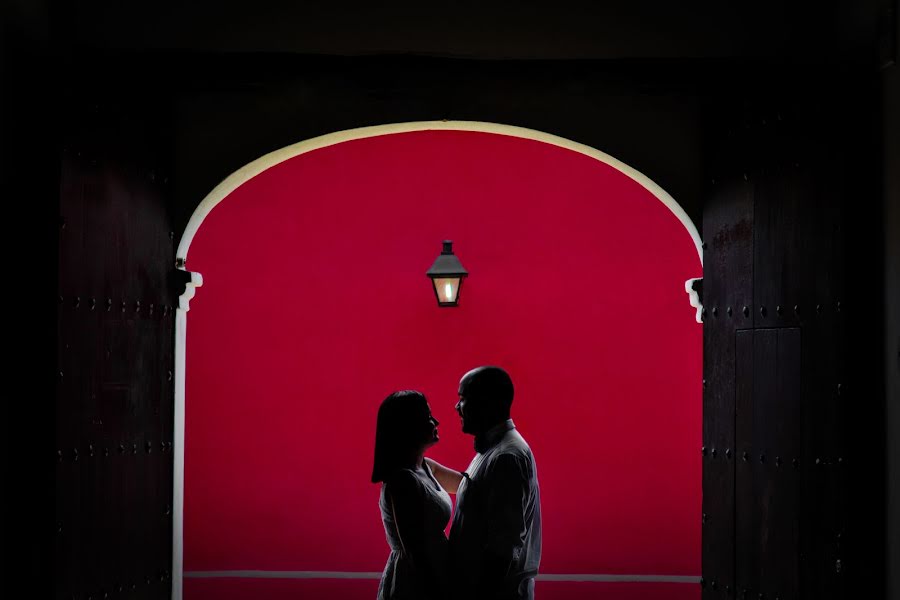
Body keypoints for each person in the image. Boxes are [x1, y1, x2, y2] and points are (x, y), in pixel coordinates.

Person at [446, 366, 542, 600]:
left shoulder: (505, 456)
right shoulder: (494, 450)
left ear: (487, 402)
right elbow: (476, 494)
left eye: (463, 398)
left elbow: (503, 548)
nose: (457, 407)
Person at [372, 390, 454, 600]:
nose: (435, 421)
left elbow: (466, 484)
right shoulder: (403, 481)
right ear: (409, 426)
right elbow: (416, 553)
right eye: (427, 417)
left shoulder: (426, 467)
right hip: (417, 583)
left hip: (433, 575)